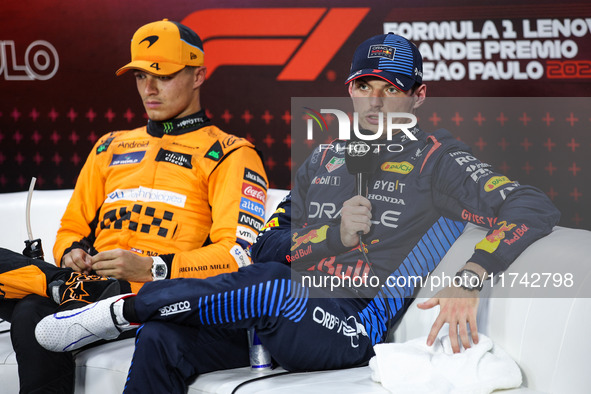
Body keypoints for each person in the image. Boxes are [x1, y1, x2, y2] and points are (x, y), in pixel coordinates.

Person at [35, 33, 560, 392]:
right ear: (349, 89)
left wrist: (471, 276)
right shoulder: (326, 156)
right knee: (167, 337)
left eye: (390, 91)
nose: (374, 104)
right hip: (278, 313)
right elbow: (264, 243)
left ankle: (115, 315)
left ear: (418, 97)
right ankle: (136, 321)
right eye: (363, 87)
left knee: (272, 285)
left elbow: (531, 205)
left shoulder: (436, 157)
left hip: (353, 325)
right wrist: (332, 236)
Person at [0, 19, 267, 392]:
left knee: (30, 309)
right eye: (140, 76)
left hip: (159, 297)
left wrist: (153, 267)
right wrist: (71, 252)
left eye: (164, 76)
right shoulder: (110, 146)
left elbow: (240, 256)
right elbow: (71, 229)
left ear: (198, 76)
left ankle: (57, 286)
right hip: (92, 286)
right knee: (33, 309)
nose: (149, 89)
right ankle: (61, 283)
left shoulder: (230, 154)